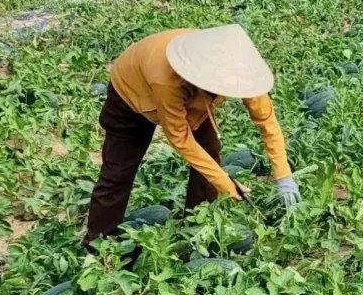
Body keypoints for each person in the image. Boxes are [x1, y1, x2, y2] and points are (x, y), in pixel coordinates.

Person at [85, 25, 301, 244]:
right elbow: (179, 137)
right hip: (131, 93)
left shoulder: (236, 65)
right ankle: (99, 244)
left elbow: (266, 121)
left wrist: (284, 176)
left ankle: (198, 224)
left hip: (187, 89)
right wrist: (224, 182)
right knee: (119, 171)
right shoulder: (166, 79)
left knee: (209, 151)